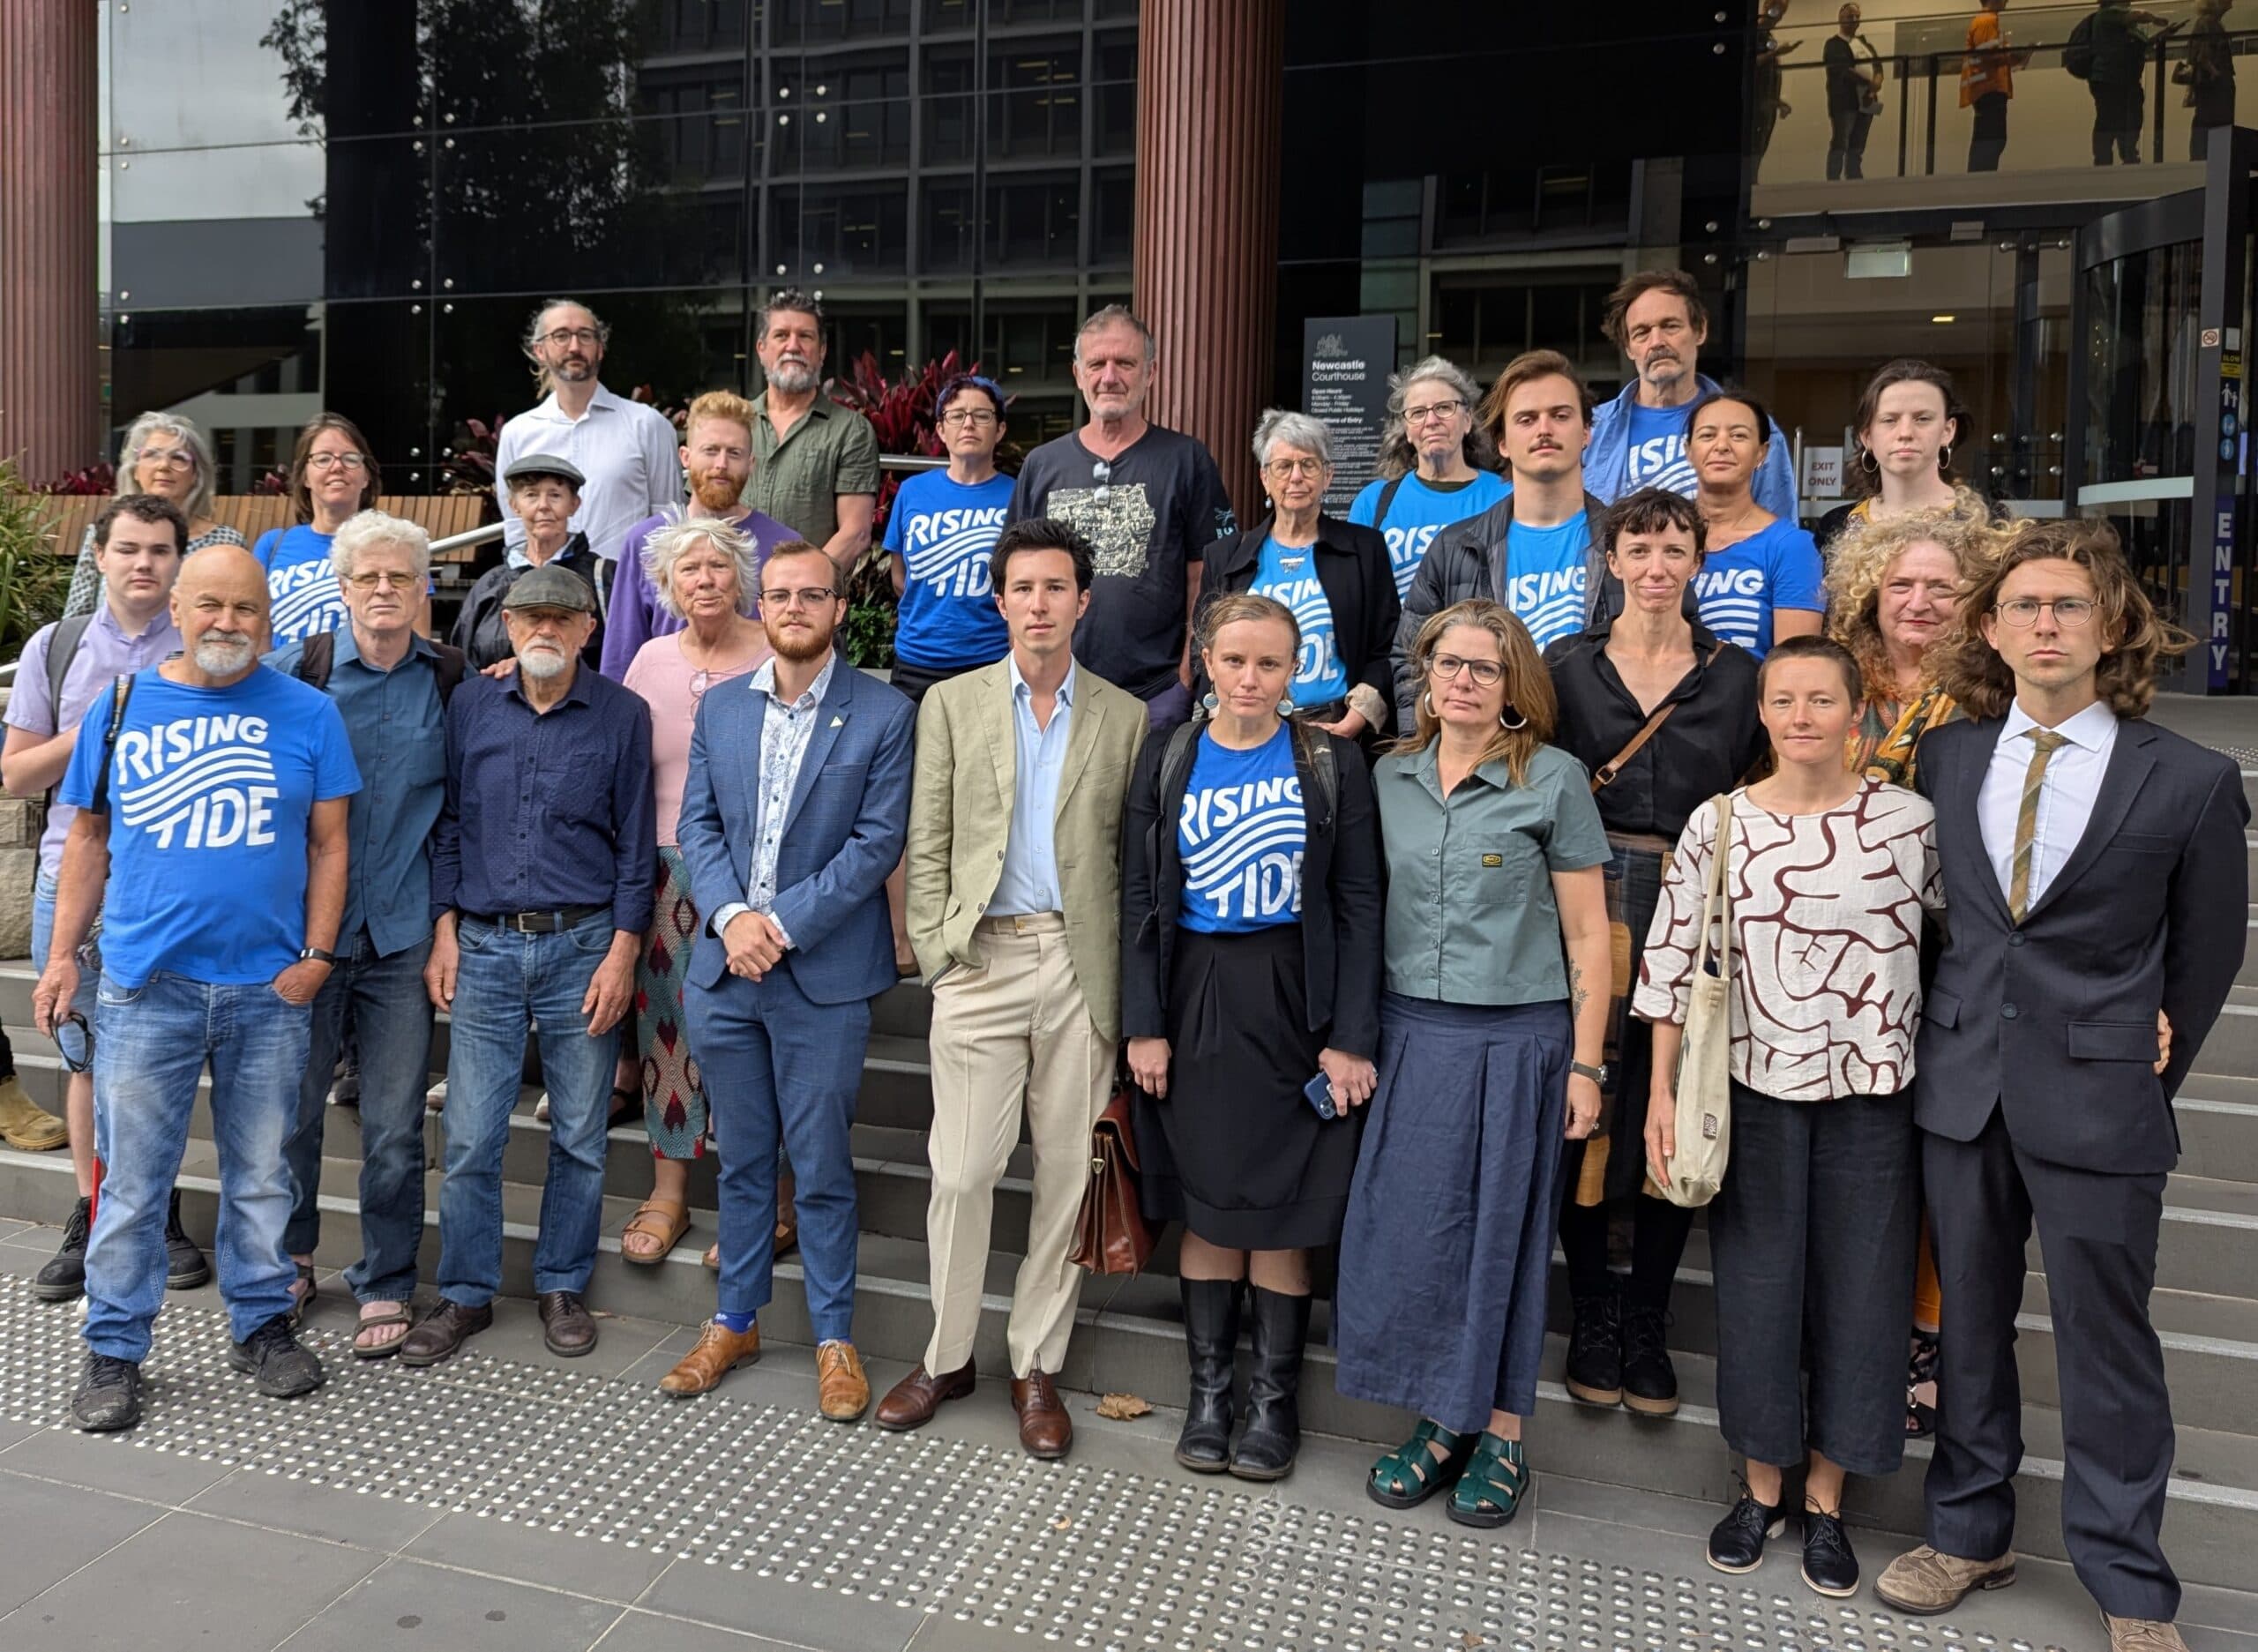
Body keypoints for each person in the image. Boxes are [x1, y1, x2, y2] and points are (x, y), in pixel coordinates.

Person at [1876, 522, 2247, 1652]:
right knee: (1969, 1327)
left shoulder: (2190, 778)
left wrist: (2141, 1054)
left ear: (2113, 626)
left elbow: (2206, 956)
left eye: (2070, 605)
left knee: (2106, 1341)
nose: (2046, 624)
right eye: (2025, 606)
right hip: (1962, 1087)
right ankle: (1967, 1531)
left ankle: (2129, 1579)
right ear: (1989, 630)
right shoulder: (1947, 757)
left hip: (2101, 1094)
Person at [1635, 635, 1940, 1599]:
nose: (1801, 716)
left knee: (1864, 1296)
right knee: (1758, 1290)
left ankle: (1826, 1499)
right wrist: (1660, 1095)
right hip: (1751, 1092)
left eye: (1821, 698)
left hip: (1875, 1097)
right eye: (1783, 699)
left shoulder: (1910, 822)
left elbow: (1966, 943)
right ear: (1761, 712)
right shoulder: (1720, 821)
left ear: (1857, 712)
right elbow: (1669, 965)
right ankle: (1760, 1487)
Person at [32, 546, 359, 1432]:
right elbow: (87, 839)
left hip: (268, 990)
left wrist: (318, 954)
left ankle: (261, 1323)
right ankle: (114, 1347)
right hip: (148, 986)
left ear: (269, 618)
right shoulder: (121, 705)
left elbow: (330, 843)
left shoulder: (311, 713)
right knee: (133, 1183)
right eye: (210, 603)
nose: (227, 622)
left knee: (262, 1176)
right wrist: (61, 956)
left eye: (246, 608)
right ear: (176, 608)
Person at [875, 520, 1148, 1459]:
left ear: (1083, 600)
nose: (1039, 603)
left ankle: (1036, 1363)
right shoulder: (951, 704)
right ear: (1000, 601)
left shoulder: (1124, 715)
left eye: (1056, 587)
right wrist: (939, 951)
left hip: (1078, 963)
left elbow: (1127, 859)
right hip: (981, 958)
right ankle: (947, 1356)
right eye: (1023, 587)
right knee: (961, 1171)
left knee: (1067, 1174)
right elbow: (928, 834)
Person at [1337, 600, 1613, 1530]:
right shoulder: (1390, 774)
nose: (1461, 680)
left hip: (1516, 1040)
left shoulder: (1553, 778)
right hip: (1410, 1034)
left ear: (1513, 686)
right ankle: (1441, 1417)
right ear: (1424, 674)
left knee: (1501, 1237)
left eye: (1483, 668)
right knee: (1417, 1234)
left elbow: (1588, 935)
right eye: (1447, 663)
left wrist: (1586, 1067)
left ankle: (1501, 1434)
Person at [1120, 593, 1383, 1481]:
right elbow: (1138, 896)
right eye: (1233, 660)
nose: (1249, 678)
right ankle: (1208, 1395)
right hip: (1196, 990)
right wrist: (1144, 1023)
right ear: (1204, 661)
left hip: (1295, 996)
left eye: (1269, 663)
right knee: (1210, 1200)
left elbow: (1359, 901)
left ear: (1294, 669)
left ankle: (1273, 1403)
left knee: (1281, 1212)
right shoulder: (1168, 753)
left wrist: (1351, 1035)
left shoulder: (1330, 760)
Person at [656, 542, 915, 1418]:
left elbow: (877, 842)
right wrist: (733, 919)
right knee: (740, 1159)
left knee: (820, 1163)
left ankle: (835, 1337)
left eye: (812, 594)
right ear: (758, 607)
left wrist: (780, 926)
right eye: (779, 594)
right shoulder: (724, 706)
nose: (794, 606)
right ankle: (735, 1320)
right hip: (725, 972)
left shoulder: (884, 713)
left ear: (840, 607)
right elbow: (697, 824)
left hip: (821, 975)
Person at [1543, 488, 1764, 1422]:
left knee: (1676, 1097)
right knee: (1587, 1100)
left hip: (1698, 899)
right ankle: (1594, 1307)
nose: (1656, 566)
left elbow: (1761, 792)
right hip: (1587, 896)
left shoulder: (1737, 674)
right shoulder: (1566, 665)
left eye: (1675, 548)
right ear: (1612, 560)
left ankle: (1648, 1315)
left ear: (1698, 561)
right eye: (1638, 548)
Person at [405, 564, 655, 1367]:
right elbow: (448, 823)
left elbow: (635, 847)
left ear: (589, 629)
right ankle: (465, 1291)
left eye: (562, 616)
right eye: (529, 617)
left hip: (583, 945)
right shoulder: (471, 703)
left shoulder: (623, 714)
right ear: (507, 627)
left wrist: (623, 952)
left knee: (579, 1133)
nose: (545, 628)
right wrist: (444, 930)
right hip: (482, 944)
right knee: (471, 1135)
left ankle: (561, 1283)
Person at [267, 512, 462, 1357]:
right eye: (368, 577)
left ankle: (386, 1278)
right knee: (292, 1112)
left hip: (402, 933)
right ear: (342, 587)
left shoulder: (452, 679)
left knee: (392, 1125)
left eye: (400, 577)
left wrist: (448, 926)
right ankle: (290, 1258)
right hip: (303, 934)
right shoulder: (294, 673)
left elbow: (458, 814)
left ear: (423, 588)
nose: (384, 590)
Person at [1826, 500, 1998, 1439]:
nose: (1920, 600)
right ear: (1870, 591)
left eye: (1941, 585)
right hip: (1834, 954)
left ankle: (1925, 1334)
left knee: (1935, 1148)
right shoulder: (1833, 681)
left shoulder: (1990, 694)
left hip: (1949, 949)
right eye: (1902, 583)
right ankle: (1847, 1330)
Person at [4, 496, 194, 1299]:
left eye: (160, 549)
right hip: (72, 880)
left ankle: (158, 1215)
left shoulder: (200, 642)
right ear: (101, 555)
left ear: (180, 560)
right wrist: (97, 727)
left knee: (165, 1057)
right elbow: (16, 774)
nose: (144, 563)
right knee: (85, 1057)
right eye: (129, 548)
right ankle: (91, 1212)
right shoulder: (57, 646)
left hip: (172, 885)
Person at [614, 518, 774, 1265]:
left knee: (756, 1030)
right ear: (666, 586)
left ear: (742, 578)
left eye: (718, 566)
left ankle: (768, 1197)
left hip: (755, 870)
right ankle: (670, 1190)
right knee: (667, 1028)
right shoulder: (649, 659)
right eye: (689, 569)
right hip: (664, 866)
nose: (704, 579)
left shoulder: (777, 649)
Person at [1007, 304, 1237, 732]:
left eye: (1125, 363)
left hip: (1157, 694)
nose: (1109, 377)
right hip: (1056, 693)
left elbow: (1206, 575)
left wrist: (1188, 673)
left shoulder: (1187, 460)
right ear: (1078, 374)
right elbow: (1014, 576)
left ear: (1150, 373)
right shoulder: (1042, 465)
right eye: (1097, 364)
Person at [1394, 350, 1614, 727]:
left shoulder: (1627, 542)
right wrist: (1429, 749)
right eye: (1526, 419)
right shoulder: (1454, 549)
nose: (1544, 429)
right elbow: (1411, 661)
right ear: (1502, 443)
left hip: (1597, 749)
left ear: (1586, 432)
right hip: (1485, 749)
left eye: (1560, 415)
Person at [1197, 411, 1400, 745]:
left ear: (1328, 476)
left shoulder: (1365, 549)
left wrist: (1356, 718)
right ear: (1265, 478)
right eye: (1283, 466)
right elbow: (1204, 648)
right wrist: (1218, 716)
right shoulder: (1225, 556)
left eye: (1309, 465)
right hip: (1247, 729)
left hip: (1337, 729)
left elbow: (1387, 644)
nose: (1296, 477)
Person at [600, 390, 798, 679]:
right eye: (710, 450)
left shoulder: (784, 547)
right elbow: (622, 654)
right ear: (686, 456)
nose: (721, 464)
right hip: (664, 699)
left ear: (751, 463)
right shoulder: (645, 542)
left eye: (734, 453)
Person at [492, 298, 684, 584]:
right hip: (547, 597)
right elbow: (517, 528)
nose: (574, 347)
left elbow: (669, 524)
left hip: (626, 594)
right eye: (561, 336)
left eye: (585, 336)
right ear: (539, 350)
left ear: (600, 348)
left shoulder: (647, 425)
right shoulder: (517, 434)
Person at [1587, 271, 1798, 518]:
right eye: (1641, 332)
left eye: (1670, 326)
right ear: (1629, 348)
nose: (1657, 342)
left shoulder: (1755, 427)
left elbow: (1778, 528)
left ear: (1700, 331)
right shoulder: (1591, 430)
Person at [886, 373, 1016, 703]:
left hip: (988, 660)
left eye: (982, 415)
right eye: (957, 415)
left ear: (1000, 429)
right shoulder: (912, 491)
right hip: (916, 662)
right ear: (941, 430)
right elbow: (899, 576)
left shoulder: (1016, 496)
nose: (968, 424)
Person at [742, 289, 880, 579]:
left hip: (809, 598)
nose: (793, 346)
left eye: (805, 336)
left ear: (822, 351)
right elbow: (703, 513)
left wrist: (794, 589)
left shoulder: (850, 431)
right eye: (781, 335)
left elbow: (855, 533)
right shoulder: (735, 422)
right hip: (732, 599)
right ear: (761, 349)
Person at [1345, 357, 1510, 601]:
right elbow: (1354, 593)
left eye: (1444, 408)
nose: (1431, 421)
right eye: (1418, 413)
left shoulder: (1505, 495)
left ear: (1467, 420)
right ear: (1407, 430)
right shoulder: (1373, 502)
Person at [60, 412, 247, 618]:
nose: (163, 466)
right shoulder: (102, 534)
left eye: (178, 458)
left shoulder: (226, 542)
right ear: (135, 470)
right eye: (152, 455)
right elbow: (76, 617)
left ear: (195, 474)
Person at [1686, 389, 1825, 661]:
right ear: (1688, 451)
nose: (1722, 445)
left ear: (1762, 453)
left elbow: (1795, 666)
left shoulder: (1791, 547)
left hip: (1750, 688)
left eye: (1738, 435)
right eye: (1707, 435)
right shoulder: (1664, 538)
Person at [1814, 360, 1990, 560]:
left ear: (1948, 431)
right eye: (1889, 420)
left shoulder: (1987, 520)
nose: (1905, 433)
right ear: (1867, 436)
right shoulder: (1835, 526)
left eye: (1922, 419)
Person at [453, 454, 608, 672]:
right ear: (514, 505)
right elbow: (463, 662)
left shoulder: (604, 578)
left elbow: (618, 654)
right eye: (531, 495)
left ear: (574, 505)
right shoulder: (489, 585)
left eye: (555, 495)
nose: (543, 506)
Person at [252, 413, 385, 648]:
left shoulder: (392, 547)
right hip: (282, 670)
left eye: (350, 458)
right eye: (323, 459)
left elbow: (418, 641)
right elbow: (254, 631)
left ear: (366, 476)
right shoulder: (272, 545)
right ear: (305, 476)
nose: (337, 467)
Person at [2085, 2, 2171, 167]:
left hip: (2123, 79)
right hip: (2110, 79)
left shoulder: (2119, 23)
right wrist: (2154, 19)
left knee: (2128, 118)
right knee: (2110, 119)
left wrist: (2162, 35)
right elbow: (2137, 15)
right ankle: (2106, 160)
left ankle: (2128, 154)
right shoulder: (2107, 15)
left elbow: (2141, 45)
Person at [1962, 1, 2028, 172]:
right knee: (1990, 142)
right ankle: (1981, 182)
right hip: (1988, 90)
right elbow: (1988, 54)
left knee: (1991, 141)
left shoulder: (1987, 21)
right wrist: (2013, 56)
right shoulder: (1986, 21)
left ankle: (1981, 180)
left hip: (1988, 90)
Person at [1824, 4, 1883, 181]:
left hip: (1867, 101)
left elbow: (1878, 68)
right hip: (1845, 103)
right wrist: (1869, 83)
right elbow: (1843, 70)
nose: (1855, 20)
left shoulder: (1865, 44)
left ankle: (1854, 179)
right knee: (1841, 143)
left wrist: (1874, 87)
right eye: (1850, 16)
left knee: (1858, 145)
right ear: (1840, 18)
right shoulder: (1833, 44)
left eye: (1857, 16)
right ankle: (1833, 181)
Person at [2181, 0, 2236, 160]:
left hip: (2212, 87)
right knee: (2215, 126)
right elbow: (2202, 56)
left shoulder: (2207, 23)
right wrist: (2216, 73)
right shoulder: (2209, 24)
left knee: (2208, 125)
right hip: (2215, 87)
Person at [1753, 2, 1801, 175]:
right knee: (1753, 147)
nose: (1778, 17)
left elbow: (1767, 79)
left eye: (1782, 13)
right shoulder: (1754, 33)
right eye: (1776, 10)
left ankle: (1753, 178)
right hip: (1755, 106)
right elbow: (1750, 63)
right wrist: (1777, 52)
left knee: (1760, 147)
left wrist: (1778, 103)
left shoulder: (1768, 36)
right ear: (1766, 7)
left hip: (1766, 106)